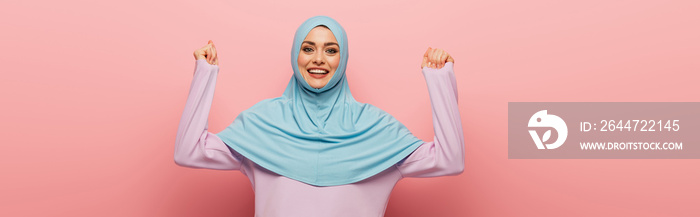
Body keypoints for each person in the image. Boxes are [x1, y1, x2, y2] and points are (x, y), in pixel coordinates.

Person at [174, 16, 463, 216]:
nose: (318, 59)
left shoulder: (376, 129)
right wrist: (205, 75)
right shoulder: (262, 123)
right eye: (308, 48)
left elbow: (449, 160)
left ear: (343, 58)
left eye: (331, 50)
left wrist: (440, 82)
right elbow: (189, 152)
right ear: (295, 55)